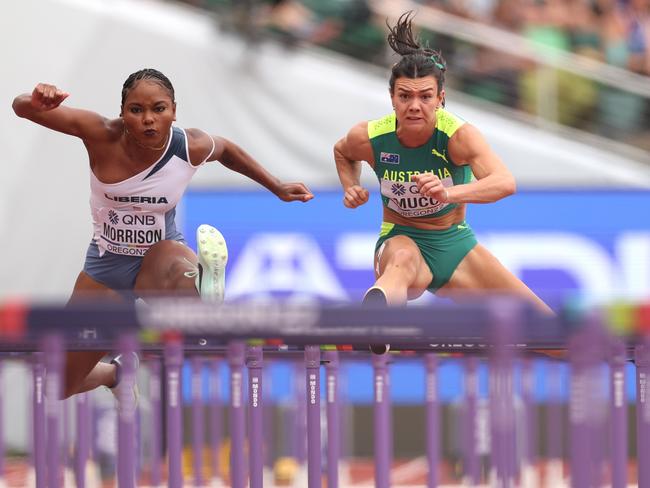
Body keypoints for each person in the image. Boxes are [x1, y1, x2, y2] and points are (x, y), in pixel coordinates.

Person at [13, 68, 313, 399]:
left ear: (173, 111)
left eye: (159, 109)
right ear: (122, 113)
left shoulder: (189, 146)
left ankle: (200, 285)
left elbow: (226, 150)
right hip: (105, 269)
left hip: (158, 256)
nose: (148, 120)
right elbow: (21, 107)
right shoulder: (99, 134)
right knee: (55, 385)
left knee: (171, 268)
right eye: (136, 110)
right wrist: (38, 99)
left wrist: (277, 186)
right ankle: (116, 373)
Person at [333, 12, 553, 321]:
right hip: (400, 235)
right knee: (403, 259)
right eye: (405, 96)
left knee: (547, 331)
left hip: (454, 244)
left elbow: (504, 182)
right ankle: (379, 320)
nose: (414, 106)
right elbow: (342, 152)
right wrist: (350, 185)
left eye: (425, 97)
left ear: (440, 98)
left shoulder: (458, 136)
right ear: (392, 98)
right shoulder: (369, 136)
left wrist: (449, 194)